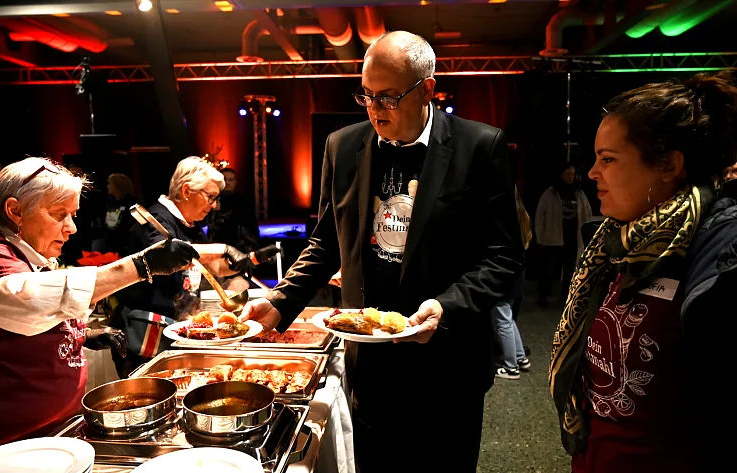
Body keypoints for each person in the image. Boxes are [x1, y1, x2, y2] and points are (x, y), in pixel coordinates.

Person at [242, 31, 523, 472]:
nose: (375, 110)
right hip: (370, 361)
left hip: (447, 363)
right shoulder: (343, 146)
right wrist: (281, 301)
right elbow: (328, 241)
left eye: (389, 97)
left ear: (427, 88)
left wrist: (446, 307)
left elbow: (503, 257)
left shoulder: (480, 147)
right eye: (367, 96)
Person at [549, 72, 737, 473]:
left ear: (668, 165)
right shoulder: (613, 244)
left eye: (609, 159)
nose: (592, 173)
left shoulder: (735, 255)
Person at [0, 157, 199, 469]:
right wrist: (140, 266)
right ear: (15, 211)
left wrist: (81, 333)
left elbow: (11, 325)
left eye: (72, 215)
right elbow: (27, 300)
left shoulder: (26, 254)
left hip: (51, 437)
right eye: (59, 214)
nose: (71, 227)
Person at [112, 157, 251, 376]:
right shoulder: (156, 219)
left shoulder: (190, 224)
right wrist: (224, 248)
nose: (214, 205)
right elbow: (170, 255)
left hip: (174, 334)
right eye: (210, 197)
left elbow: (215, 266)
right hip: (144, 337)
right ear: (187, 191)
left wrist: (250, 259)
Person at [535, 163, 591, 307]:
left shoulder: (578, 193)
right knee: (548, 270)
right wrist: (540, 237)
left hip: (572, 238)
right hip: (553, 238)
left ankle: (565, 299)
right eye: (567, 174)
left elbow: (586, 213)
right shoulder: (551, 193)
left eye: (572, 174)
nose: (570, 177)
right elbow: (540, 216)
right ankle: (543, 297)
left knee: (569, 271)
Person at [493, 185, 533, 379]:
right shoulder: (522, 214)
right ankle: (520, 357)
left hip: (504, 276)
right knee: (508, 318)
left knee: (502, 321)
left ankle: (511, 367)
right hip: (517, 274)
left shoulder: (506, 217)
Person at [103, 173, 139, 255]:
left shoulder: (133, 203)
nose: (107, 186)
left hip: (126, 249)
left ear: (118, 185)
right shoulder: (110, 202)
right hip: (110, 247)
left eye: (110, 184)